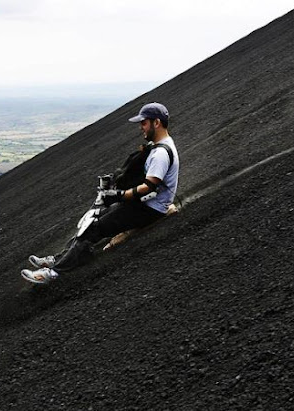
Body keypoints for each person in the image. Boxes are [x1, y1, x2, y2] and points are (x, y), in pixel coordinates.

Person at [21, 102, 180, 284]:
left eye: (144, 123)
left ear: (156, 123)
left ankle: (54, 273)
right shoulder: (158, 146)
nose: (141, 127)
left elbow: (148, 187)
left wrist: (119, 196)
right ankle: (57, 259)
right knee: (91, 221)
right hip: (143, 204)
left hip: (149, 208)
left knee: (95, 228)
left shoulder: (160, 154)